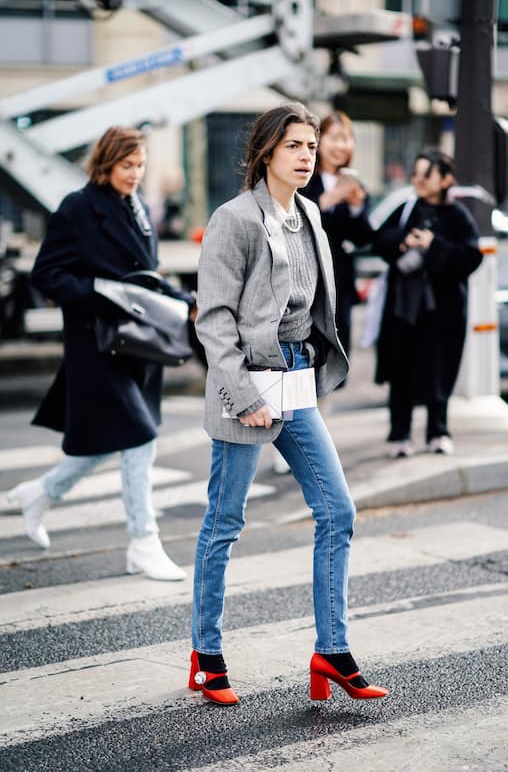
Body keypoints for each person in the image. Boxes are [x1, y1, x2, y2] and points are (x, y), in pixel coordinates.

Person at [188, 103, 389, 706]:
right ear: (267, 152)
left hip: (297, 383)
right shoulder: (235, 219)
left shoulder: (310, 215)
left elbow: (315, 306)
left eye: (311, 146)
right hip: (247, 387)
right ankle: (206, 654)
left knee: (338, 511)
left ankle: (332, 651)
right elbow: (214, 320)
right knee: (225, 521)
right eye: (295, 146)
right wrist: (243, 395)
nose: (306, 157)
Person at [7, 126, 193, 581]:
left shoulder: (137, 207)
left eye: (140, 165)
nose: (135, 173)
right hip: (98, 342)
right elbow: (46, 275)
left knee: (120, 437)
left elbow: (145, 275)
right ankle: (143, 542)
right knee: (140, 437)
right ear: (106, 163)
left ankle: (42, 493)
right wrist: (101, 293)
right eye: (127, 165)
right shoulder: (77, 207)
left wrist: (184, 300)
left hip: (138, 343)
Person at [373, 148, 483, 458]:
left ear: (446, 179)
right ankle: (399, 435)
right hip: (404, 308)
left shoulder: (458, 215)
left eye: (426, 174)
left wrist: (434, 244)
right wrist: (403, 241)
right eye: (415, 174)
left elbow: (471, 257)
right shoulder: (406, 209)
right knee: (401, 371)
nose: (418, 180)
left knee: (440, 370)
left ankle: (438, 432)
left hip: (443, 310)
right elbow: (379, 240)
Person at [300, 111, 373, 360]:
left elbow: (364, 238)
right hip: (308, 273)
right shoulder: (305, 179)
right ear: (319, 142)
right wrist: (330, 198)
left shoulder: (356, 186)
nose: (341, 145)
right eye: (334, 138)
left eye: (346, 138)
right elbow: (298, 218)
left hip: (339, 277)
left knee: (338, 347)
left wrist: (356, 208)